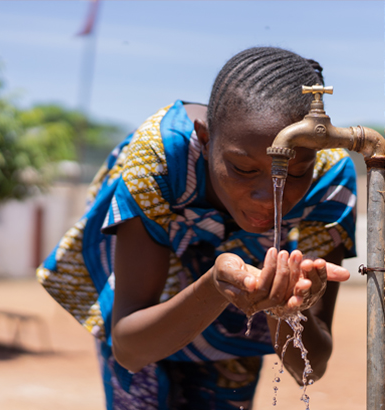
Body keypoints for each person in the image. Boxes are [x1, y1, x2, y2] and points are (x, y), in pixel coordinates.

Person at [37, 46, 357, 410]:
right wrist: (215, 286)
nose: (267, 199)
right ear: (205, 140)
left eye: (295, 172)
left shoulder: (329, 179)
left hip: (235, 323)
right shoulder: (160, 155)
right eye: (243, 169)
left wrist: (285, 309)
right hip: (152, 315)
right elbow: (129, 348)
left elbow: (310, 368)